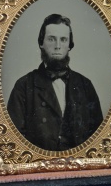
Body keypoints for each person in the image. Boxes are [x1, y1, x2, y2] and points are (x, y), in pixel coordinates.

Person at [7, 14, 103, 151]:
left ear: (69, 45)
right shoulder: (23, 86)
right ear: (41, 43)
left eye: (63, 40)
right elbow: (15, 141)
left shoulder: (85, 85)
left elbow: (97, 136)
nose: (58, 46)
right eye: (51, 39)